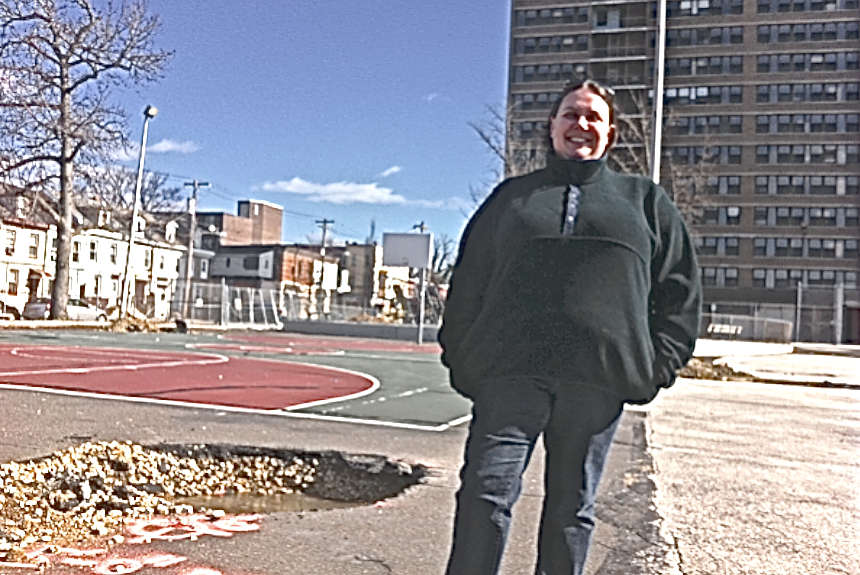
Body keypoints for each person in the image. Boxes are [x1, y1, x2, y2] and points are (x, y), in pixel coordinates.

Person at [439, 79, 702, 575]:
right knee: (484, 495)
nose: (580, 124)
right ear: (552, 126)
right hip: (509, 377)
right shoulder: (512, 199)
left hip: (596, 383)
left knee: (571, 511)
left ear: (611, 134)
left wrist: (652, 368)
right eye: (569, 114)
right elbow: (468, 280)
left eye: (593, 117)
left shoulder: (643, 202)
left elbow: (680, 291)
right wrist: (464, 358)